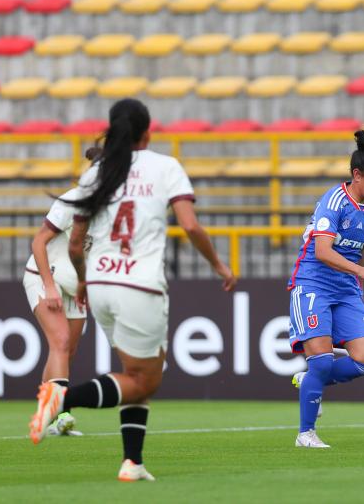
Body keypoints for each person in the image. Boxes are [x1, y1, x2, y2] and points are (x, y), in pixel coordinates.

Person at [28, 98, 237, 481]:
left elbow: (75, 244)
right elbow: (190, 226)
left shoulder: (98, 173)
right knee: (145, 378)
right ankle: (61, 397)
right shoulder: (165, 166)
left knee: (136, 376)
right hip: (139, 283)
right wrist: (219, 265)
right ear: (148, 131)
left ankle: (132, 462)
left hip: (102, 283)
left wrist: (86, 281)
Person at [287, 130, 364, 448]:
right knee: (319, 361)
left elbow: (358, 248)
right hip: (313, 285)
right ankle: (306, 434)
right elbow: (322, 251)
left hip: (346, 290)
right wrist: (361, 271)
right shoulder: (334, 201)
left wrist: (357, 284)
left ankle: (310, 382)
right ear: (357, 175)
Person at [22, 147, 100, 437]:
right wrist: (50, 287)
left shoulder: (111, 207)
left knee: (68, 351)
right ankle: (63, 414)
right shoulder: (72, 200)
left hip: (75, 286)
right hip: (45, 279)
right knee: (61, 342)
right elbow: (39, 242)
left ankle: (48, 416)